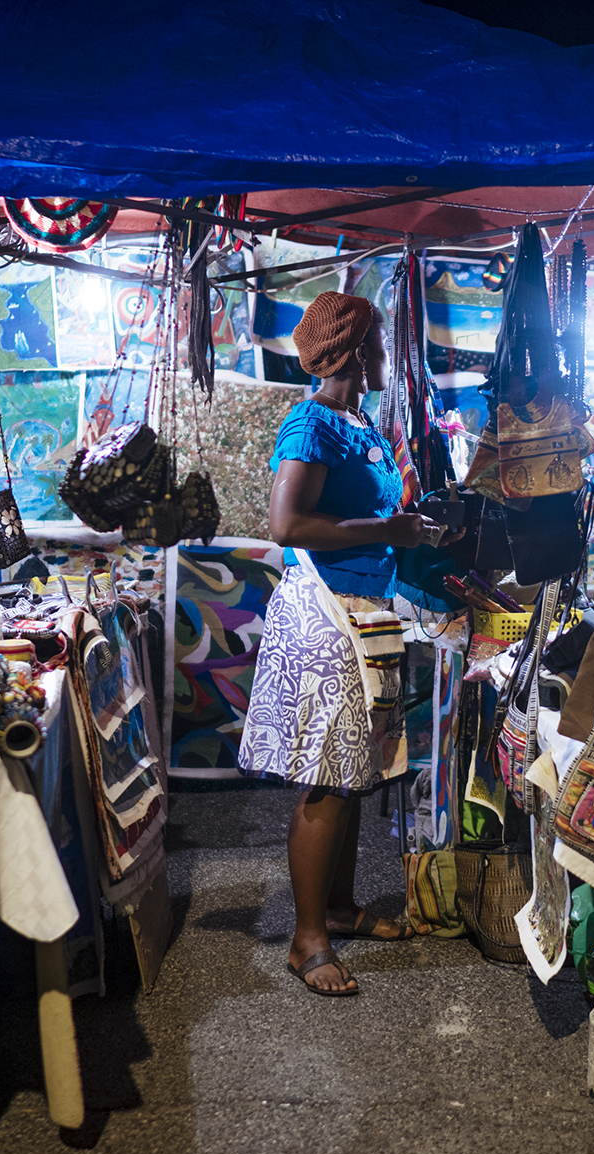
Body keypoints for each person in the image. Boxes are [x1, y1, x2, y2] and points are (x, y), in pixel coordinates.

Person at [236, 291, 445, 998]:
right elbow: (288, 526)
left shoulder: (361, 424)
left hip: (365, 612)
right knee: (326, 778)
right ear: (355, 351)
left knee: (354, 769)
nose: (388, 357)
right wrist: (389, 533)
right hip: (325, 617)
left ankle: (339, 908)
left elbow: (366, 514)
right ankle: (306, 940)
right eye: (381, 344)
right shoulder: (312, 423)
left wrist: (406, 527)